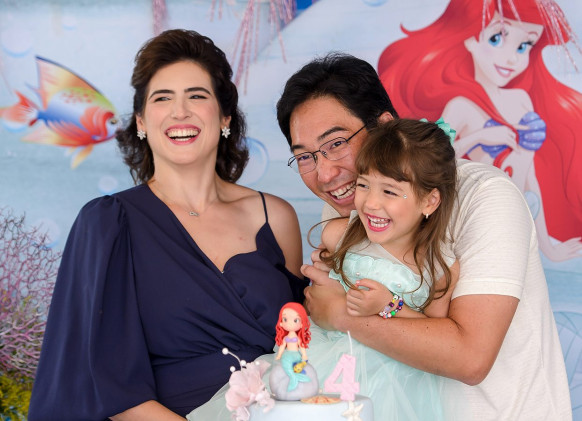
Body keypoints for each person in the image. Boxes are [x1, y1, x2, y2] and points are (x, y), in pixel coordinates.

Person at [28, 29, 307, 421]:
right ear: (141, 121)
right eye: (162, 98)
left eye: (197, 96)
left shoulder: (275, 217)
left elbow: (301, 347)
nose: (180, 112)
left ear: (225, 117)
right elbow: (108, 388)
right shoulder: (108, 224)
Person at [276, 52, 571, 419]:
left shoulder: (485, 196)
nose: (324, 174)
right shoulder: (351, 207)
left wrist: (342, 315)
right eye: (305, 157)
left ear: (384, 126)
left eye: (336, 144)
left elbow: (470, 358)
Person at [377, 0, 582, 261]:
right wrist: (479, 138)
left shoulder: (521, 101)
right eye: (496, 39)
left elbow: (529, 180)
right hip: (471, 228)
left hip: (514, 228)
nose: (511, 58)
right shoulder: (461, 107)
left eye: (523, 46)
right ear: (471, 39)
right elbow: (431, 166)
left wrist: (548, 248)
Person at [300, 118, 459, 420]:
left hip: (394, 384)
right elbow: (320, 290)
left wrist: (389, 305)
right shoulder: (339, 235)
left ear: (429, 201)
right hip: (328, 362)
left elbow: (435, 332)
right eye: (363, 185)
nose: (370, 203)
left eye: (389, 191)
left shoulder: (438, 267)